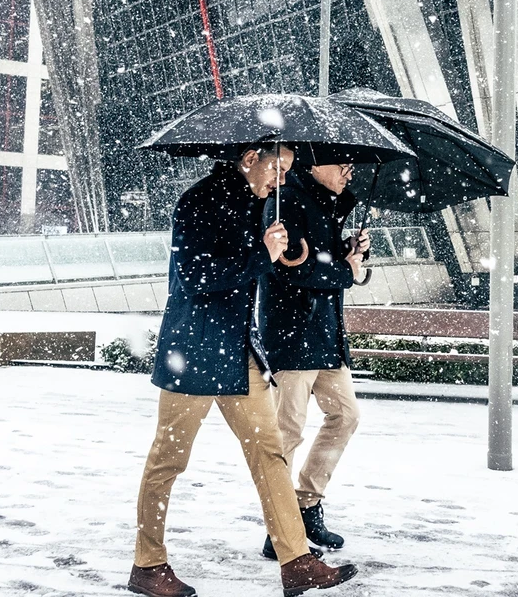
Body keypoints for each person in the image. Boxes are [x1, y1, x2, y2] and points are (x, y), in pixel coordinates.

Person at [129, 145, 358, 597]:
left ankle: (296, 561)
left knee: (269, 451)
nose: (281, 178)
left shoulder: (260, 203)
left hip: (237, 352)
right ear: (250, 157)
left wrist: (286, 253)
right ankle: (148, 565)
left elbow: (270, 265)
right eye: (277, 167)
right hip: (193, 352)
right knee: (168, 461)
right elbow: (197, 277)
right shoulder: (199, 201)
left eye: (289, 171)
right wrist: (262, 256)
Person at [256, 162, 369, 559]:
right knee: (286, 432)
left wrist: (349, 253)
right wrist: (344, 269)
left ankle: (305, 504)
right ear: (316, 163)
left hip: (324, 335)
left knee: (345, 416)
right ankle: (280, 528)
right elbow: (291, 270)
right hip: (292, 334)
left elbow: (324, 264)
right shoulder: (284, 202)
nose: (349, 173)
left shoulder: (329, 205)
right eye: (343, 164)